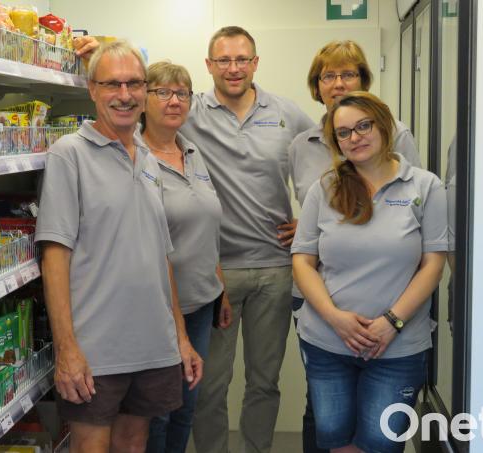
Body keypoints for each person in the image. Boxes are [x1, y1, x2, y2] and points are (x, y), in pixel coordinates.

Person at [35, 40, 203, 453]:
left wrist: (180, 337)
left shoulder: (147, 157)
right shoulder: (69, 155)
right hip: (97, 349)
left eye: (134, 84)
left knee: (134, 444)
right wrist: (67, 349)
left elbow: (161, 255)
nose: (124, 95)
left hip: (152, 343)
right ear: (92, 89)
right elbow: (55, 258)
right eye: (112, 84)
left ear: (145, 90)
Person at [179, 26, 315, 453]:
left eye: (242, 59)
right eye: (223, 60)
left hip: (276, 269)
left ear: (255, 63)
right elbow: (137, 94)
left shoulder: (287, 113)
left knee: (264, 381)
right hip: (214, 273)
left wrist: (313, 223)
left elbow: (332, 158)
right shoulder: (190, 112)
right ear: (209, 65)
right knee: (209, 384)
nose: (233, 68)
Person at [291, 91, 448, 453]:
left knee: (380, 444)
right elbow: (302, 261)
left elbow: (433, 263)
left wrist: (391, 321)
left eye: (364, 126)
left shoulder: (425, 186)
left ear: (384, 126)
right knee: (335, 439)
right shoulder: (324, 188)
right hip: (328, 342)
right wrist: (335, 319)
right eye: (344, 133)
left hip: (397, 347)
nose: (355, 137)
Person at [139, 61, 232, 453]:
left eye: (182, 93)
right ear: (143, 99)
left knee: (186, 407)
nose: (174, 101)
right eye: (162, 92)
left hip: (201, 303)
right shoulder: (135, 157)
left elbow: (205, 226)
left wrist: (219, 287)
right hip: (157, 309)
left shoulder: (191, 152)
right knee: (158, 412)